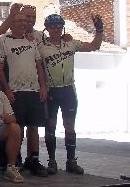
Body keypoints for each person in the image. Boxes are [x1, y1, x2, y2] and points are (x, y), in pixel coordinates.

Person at [39, 14, 104, 175]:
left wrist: (99, 30)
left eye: (59, 26)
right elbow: (38, 68)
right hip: (52, 90)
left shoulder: (70, 43)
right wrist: (43, 87)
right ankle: (52, 161)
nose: (56, 29)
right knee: (50, 126)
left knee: (69, 126)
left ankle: (71, 161)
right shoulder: (41, 47)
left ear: (63, 28)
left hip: (68, 90)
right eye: (52, 27)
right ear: (47, 29)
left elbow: (94, 46)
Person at [0, 12, 49, 177]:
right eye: (19, 20)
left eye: (25, 20)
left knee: (34, 127)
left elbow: (38, 65)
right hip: (16, 91)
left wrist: (43, 86)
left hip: (33, 90)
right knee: (16, 128)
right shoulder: (3, 41)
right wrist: (7, 89)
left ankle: (33, 160)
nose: (23, 23)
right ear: (12, 23)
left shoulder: (32, 41)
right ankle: (13, 162)